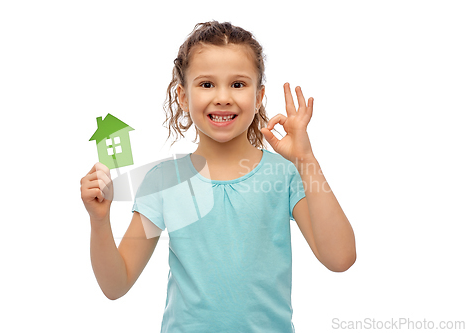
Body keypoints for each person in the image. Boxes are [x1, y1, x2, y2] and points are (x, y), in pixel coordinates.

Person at [80, 21, 356, 332]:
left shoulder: (284, 175)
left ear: (259, 95)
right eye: (207, 84)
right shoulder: (163, 180)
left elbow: (340, 258)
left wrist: (305, 159)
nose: (223, 97)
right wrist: (99, 221)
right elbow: (116, 285)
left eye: (238, 84)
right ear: (183, 96)